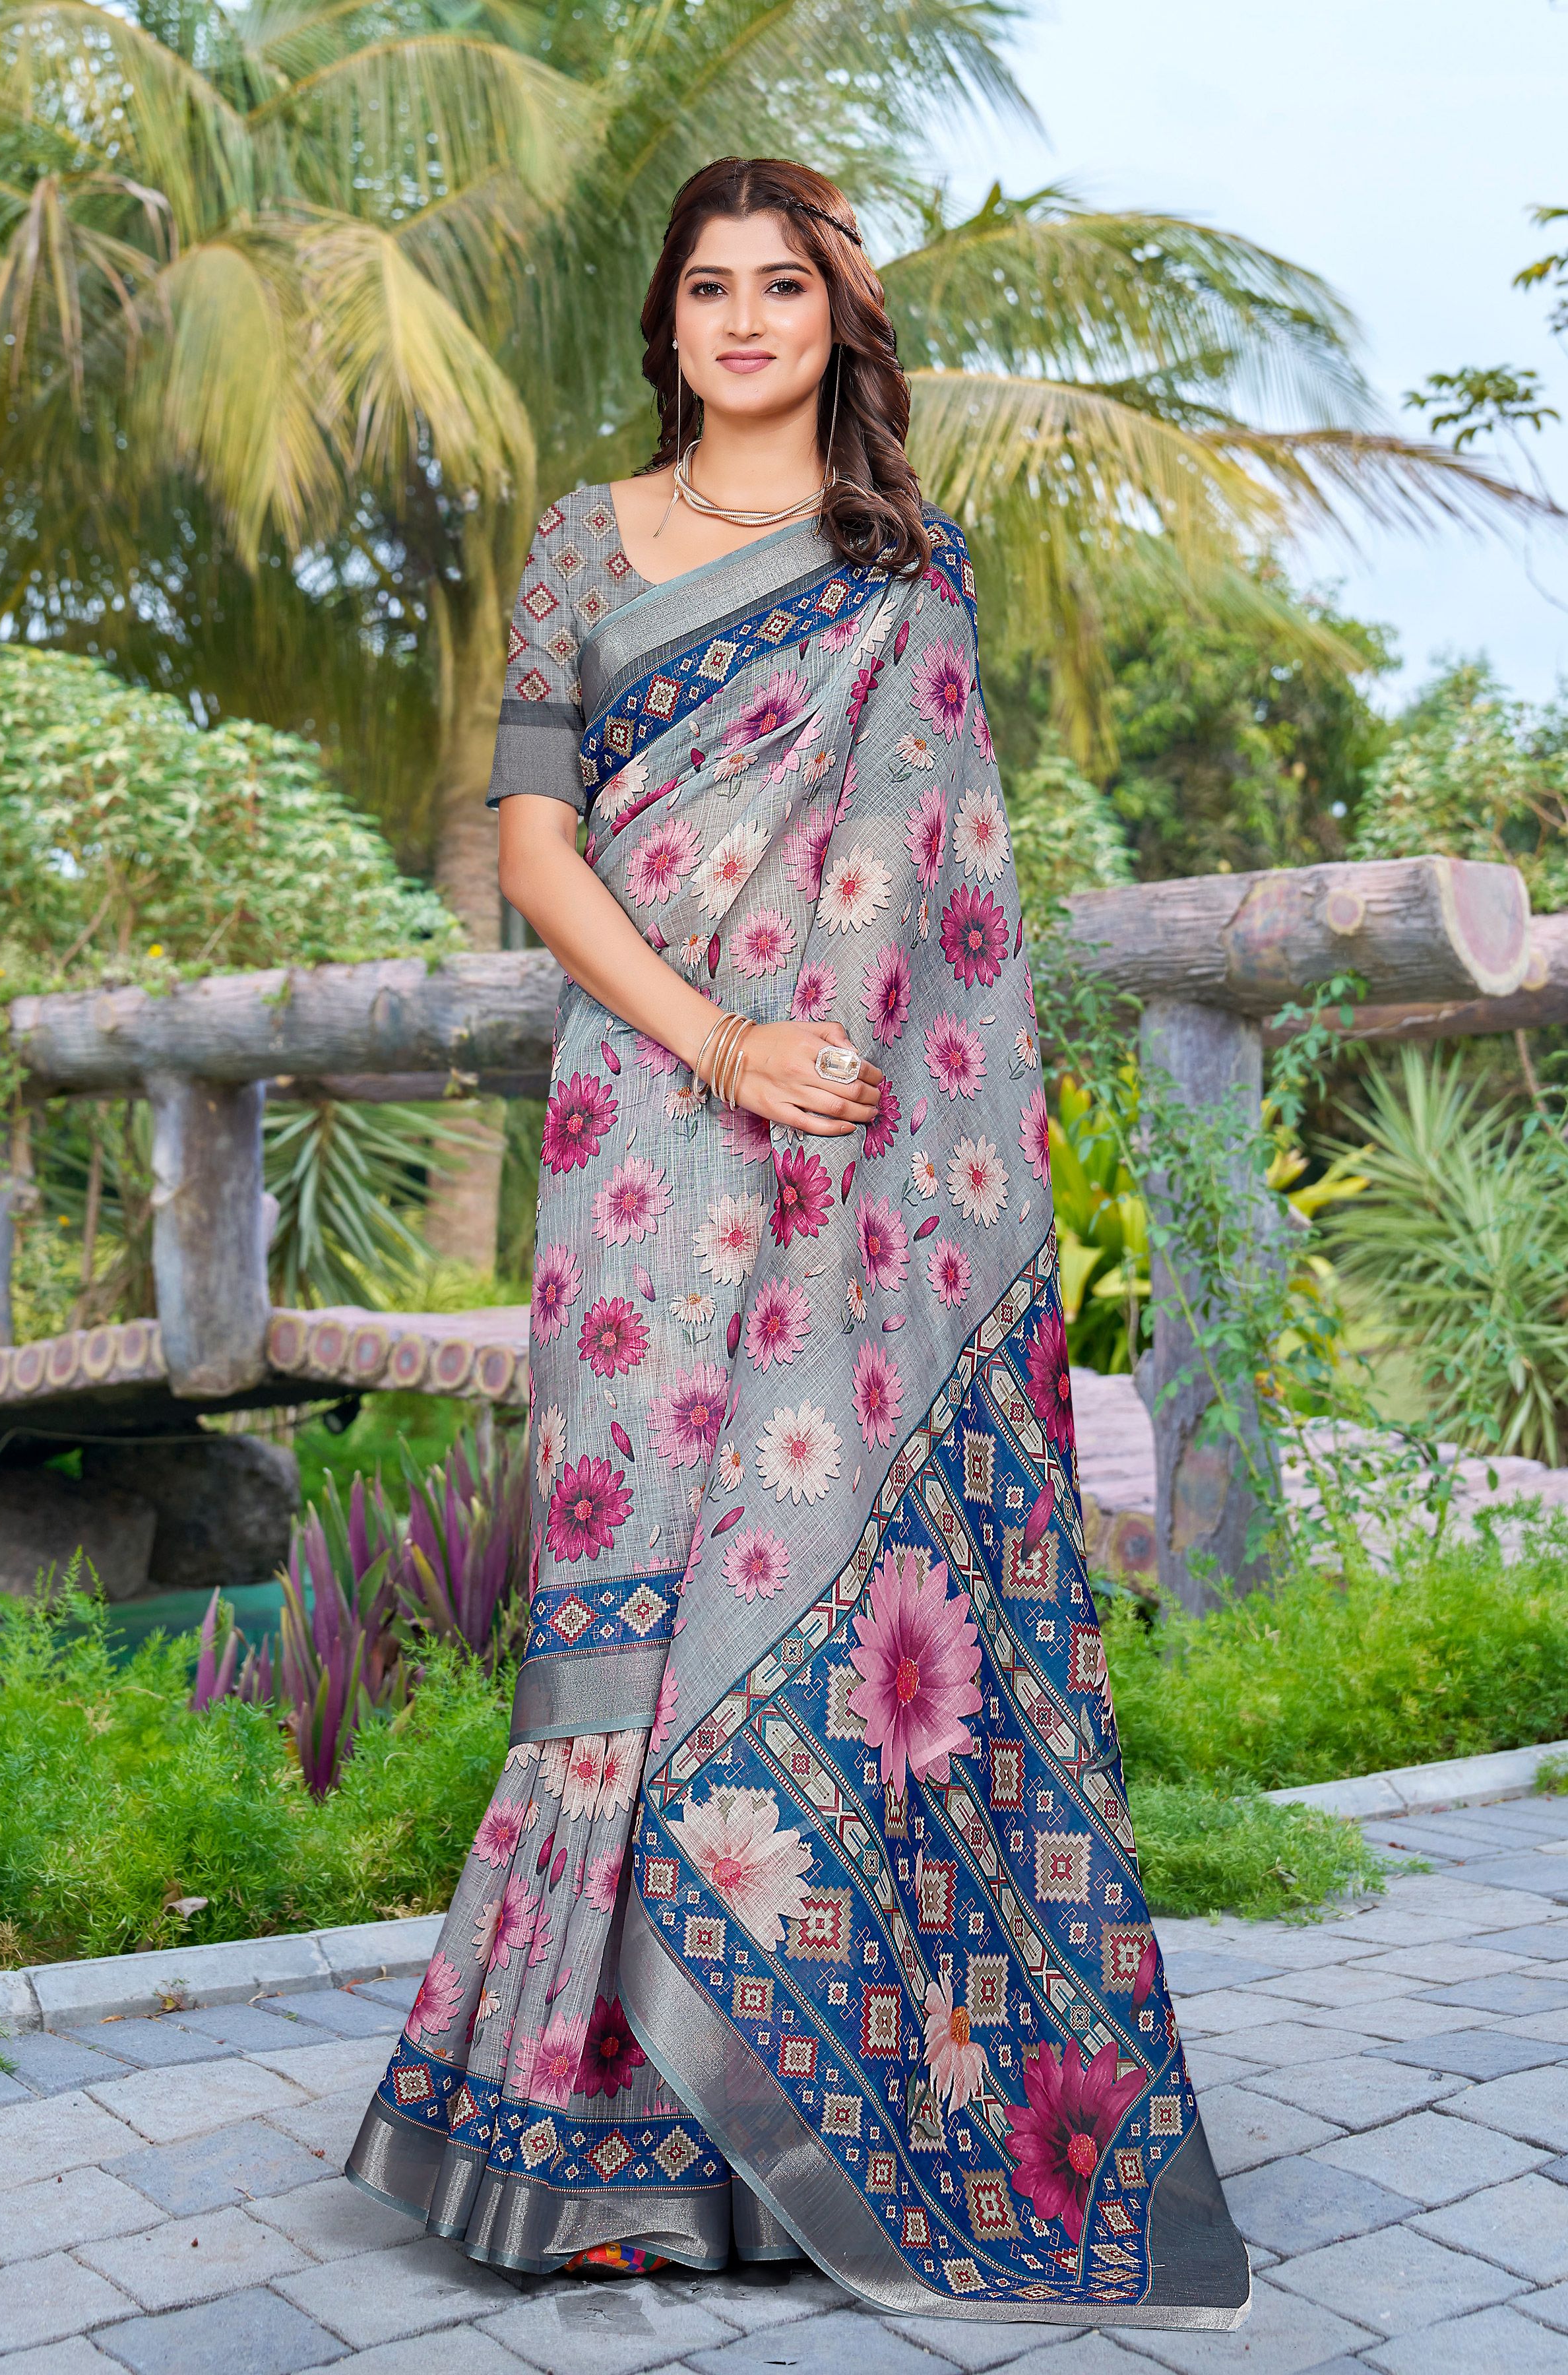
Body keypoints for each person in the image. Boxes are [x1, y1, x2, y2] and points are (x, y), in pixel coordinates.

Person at [346, 154, 1249, 2330]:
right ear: (667, 325)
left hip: (850, 1157)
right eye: (709, 290)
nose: (744, 320)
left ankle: (807, 2132)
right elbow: (537, 846)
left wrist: (811, 1075)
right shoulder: (586, 542)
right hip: (646, 1136)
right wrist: (722, 1043)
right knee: (629, 1603)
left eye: (783, 286)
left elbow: (944, 901)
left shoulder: (901, 572)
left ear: (837, 319)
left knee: (819, 1580)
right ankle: (589, 2136)